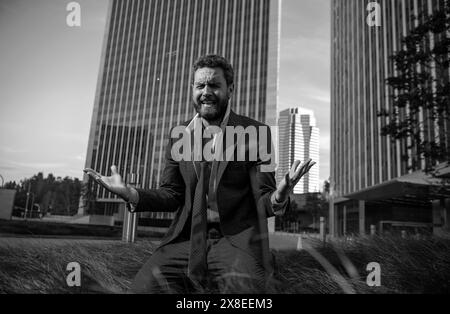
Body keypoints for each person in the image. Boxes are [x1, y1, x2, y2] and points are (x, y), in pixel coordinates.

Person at [84, 55, 315, 294]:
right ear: (192, 89)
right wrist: (131, 194)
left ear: (230, 89)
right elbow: (172, 194)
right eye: (200, 85)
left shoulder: (257, 133)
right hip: (186, 238)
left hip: (235, 238)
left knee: (249, 294)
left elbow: (262, 201)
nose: (206, 91)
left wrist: (279, 196)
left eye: (214, 85)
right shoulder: (179, 134)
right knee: (143, 289)